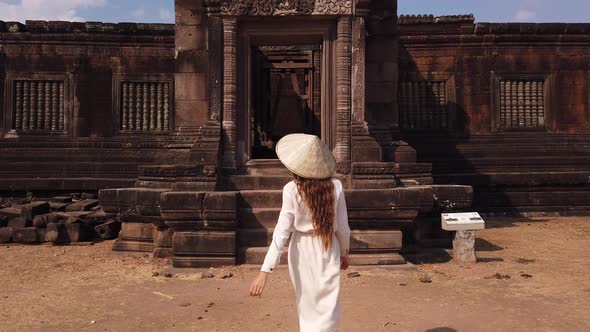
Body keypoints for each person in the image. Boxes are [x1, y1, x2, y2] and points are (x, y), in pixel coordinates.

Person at [249, 133, 351, 332]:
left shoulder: (291, 189)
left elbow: (281, 232)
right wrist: (345, 253)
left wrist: (264, 271)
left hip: (301, 251)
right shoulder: (336, 186)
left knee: (307, 306)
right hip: (328, 248)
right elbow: (343, 227)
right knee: (329, 307)